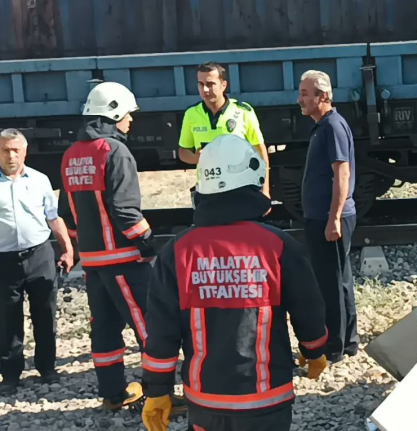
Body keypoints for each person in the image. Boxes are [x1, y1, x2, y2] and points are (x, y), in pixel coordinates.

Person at [140, 134, 329, 431]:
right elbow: (308, 308)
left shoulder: (177, 251)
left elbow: (162, 331)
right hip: (266, 400)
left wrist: (156, 391)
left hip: (206, 403)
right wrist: (315, 349)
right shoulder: (279, 246)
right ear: (253, 180)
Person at [57, 82, 186, 414]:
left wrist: (84, 242)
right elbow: (126, 211)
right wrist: (148, 244)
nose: (130, 121)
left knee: (103, 329)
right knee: (150, 327)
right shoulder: (114, 151)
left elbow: (66, 214)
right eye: (128, 114)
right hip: (124, 260)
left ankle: (113, 394)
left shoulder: (71, 154)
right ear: (113, 112)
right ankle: (162, 396)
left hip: (93, 262)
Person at [0, 128, 74, 395]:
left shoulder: (40, 180)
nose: (10, 155)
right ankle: (10, 375)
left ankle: (47, 368)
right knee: (7, 319)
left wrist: (67, 249)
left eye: (15, 150)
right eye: (5, 150)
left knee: (45, 314)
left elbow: (53, 217)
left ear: (25, 151)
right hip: (4, 261)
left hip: (39, 255)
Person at [297, 70, 360, 364]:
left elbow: (342, 173)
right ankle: (348, 341)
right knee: (341, 279)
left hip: (328, 217)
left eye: (305, 94)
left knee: (330, 283)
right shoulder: (325, 125)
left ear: (322, 96)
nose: (300, 99)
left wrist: (333, 218)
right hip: (326, 215)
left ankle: (334, 347)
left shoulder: (332, 126)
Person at [177, 61, 271, 207]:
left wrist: (265, 190)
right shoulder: (191, 114)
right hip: (207, 190)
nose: (205, 90)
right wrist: (196, 158)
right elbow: (183, 151)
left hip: (240, 188)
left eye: (210, 84)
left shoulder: (243, 112)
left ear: (223, 85)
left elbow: (260, 151)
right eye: (201, 84)